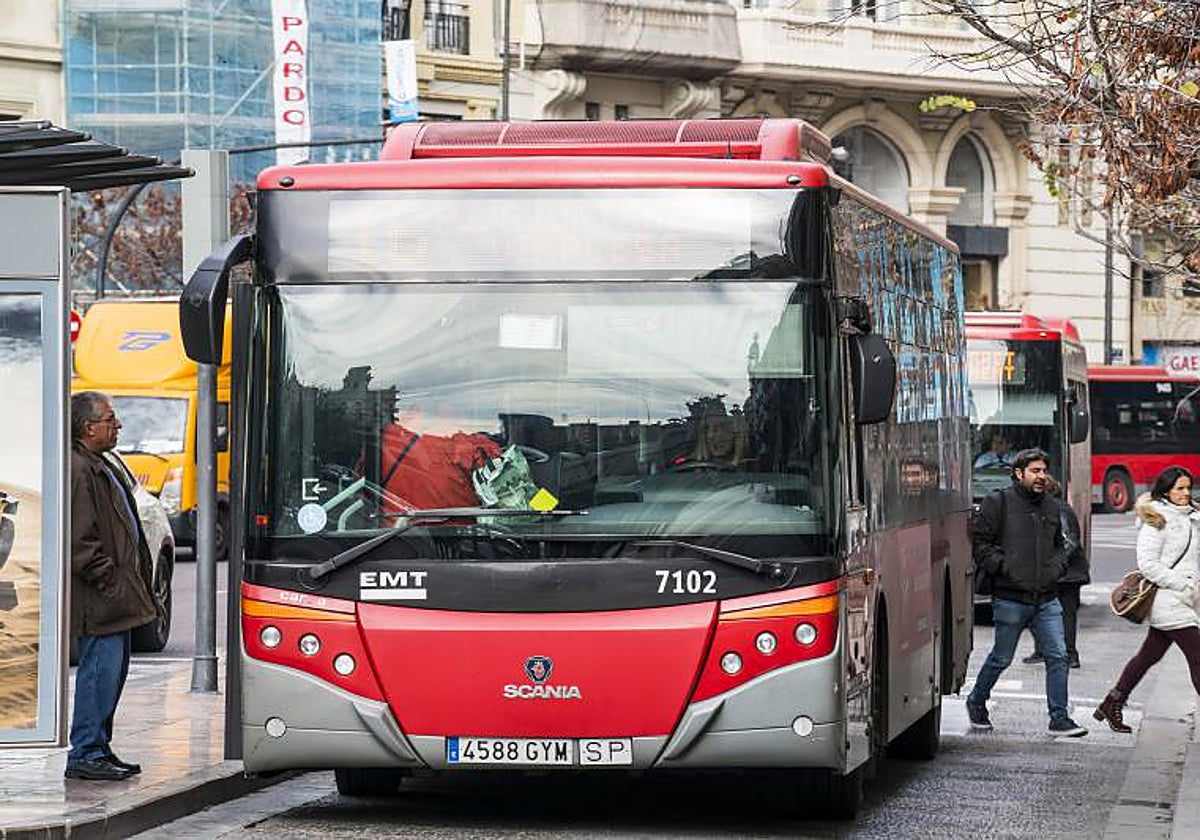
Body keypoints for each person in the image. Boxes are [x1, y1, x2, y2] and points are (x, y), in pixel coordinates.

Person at [66, 392, 156, 781]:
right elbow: (80, 544)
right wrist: (110, 581)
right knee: (99, 673)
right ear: (89, 427)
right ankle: (86, 750)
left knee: (111, 675)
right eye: (110, 419)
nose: (117, 425)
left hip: (111, 595)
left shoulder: (99, 464)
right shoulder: (79, 469)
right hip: (100, 599)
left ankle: (98, 746)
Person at [967, 448, 1088, 737]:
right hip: (1010, 597)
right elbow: (981, 544)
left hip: (1047, 598)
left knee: (1058, 656)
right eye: (1035, 471)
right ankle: (976, 701)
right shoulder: (998, 502)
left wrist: (1055, 570)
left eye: (1044, 471)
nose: (1041, 476)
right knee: (1001, 658)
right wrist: (1006, 568)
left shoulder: (1052, 506)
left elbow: (1063, 545)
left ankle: (1059, 718)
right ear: (1019, 473)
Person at [1094, 467, 1200, 734]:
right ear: (1166, 491)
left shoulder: (1192, 517)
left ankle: (1112, 702)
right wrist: (1183, 585)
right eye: (1179, 488)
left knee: (1147, 656)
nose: (1185, 493)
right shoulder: (1157, 519)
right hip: (1169, 600)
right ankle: (1112, 703)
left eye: (1188, 488)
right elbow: (1148, 564)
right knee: (1198, 657)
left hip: (1186, 599)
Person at [1022, 475, 1089, 668]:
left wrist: (1051, 564)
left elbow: (1070, 541)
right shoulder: (1044, 510)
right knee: (1037, 610)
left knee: (1066, 614)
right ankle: (1045, 650)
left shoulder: (1059, 509)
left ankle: (1070, 654)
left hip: (1067, 574)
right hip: (1058, 571)